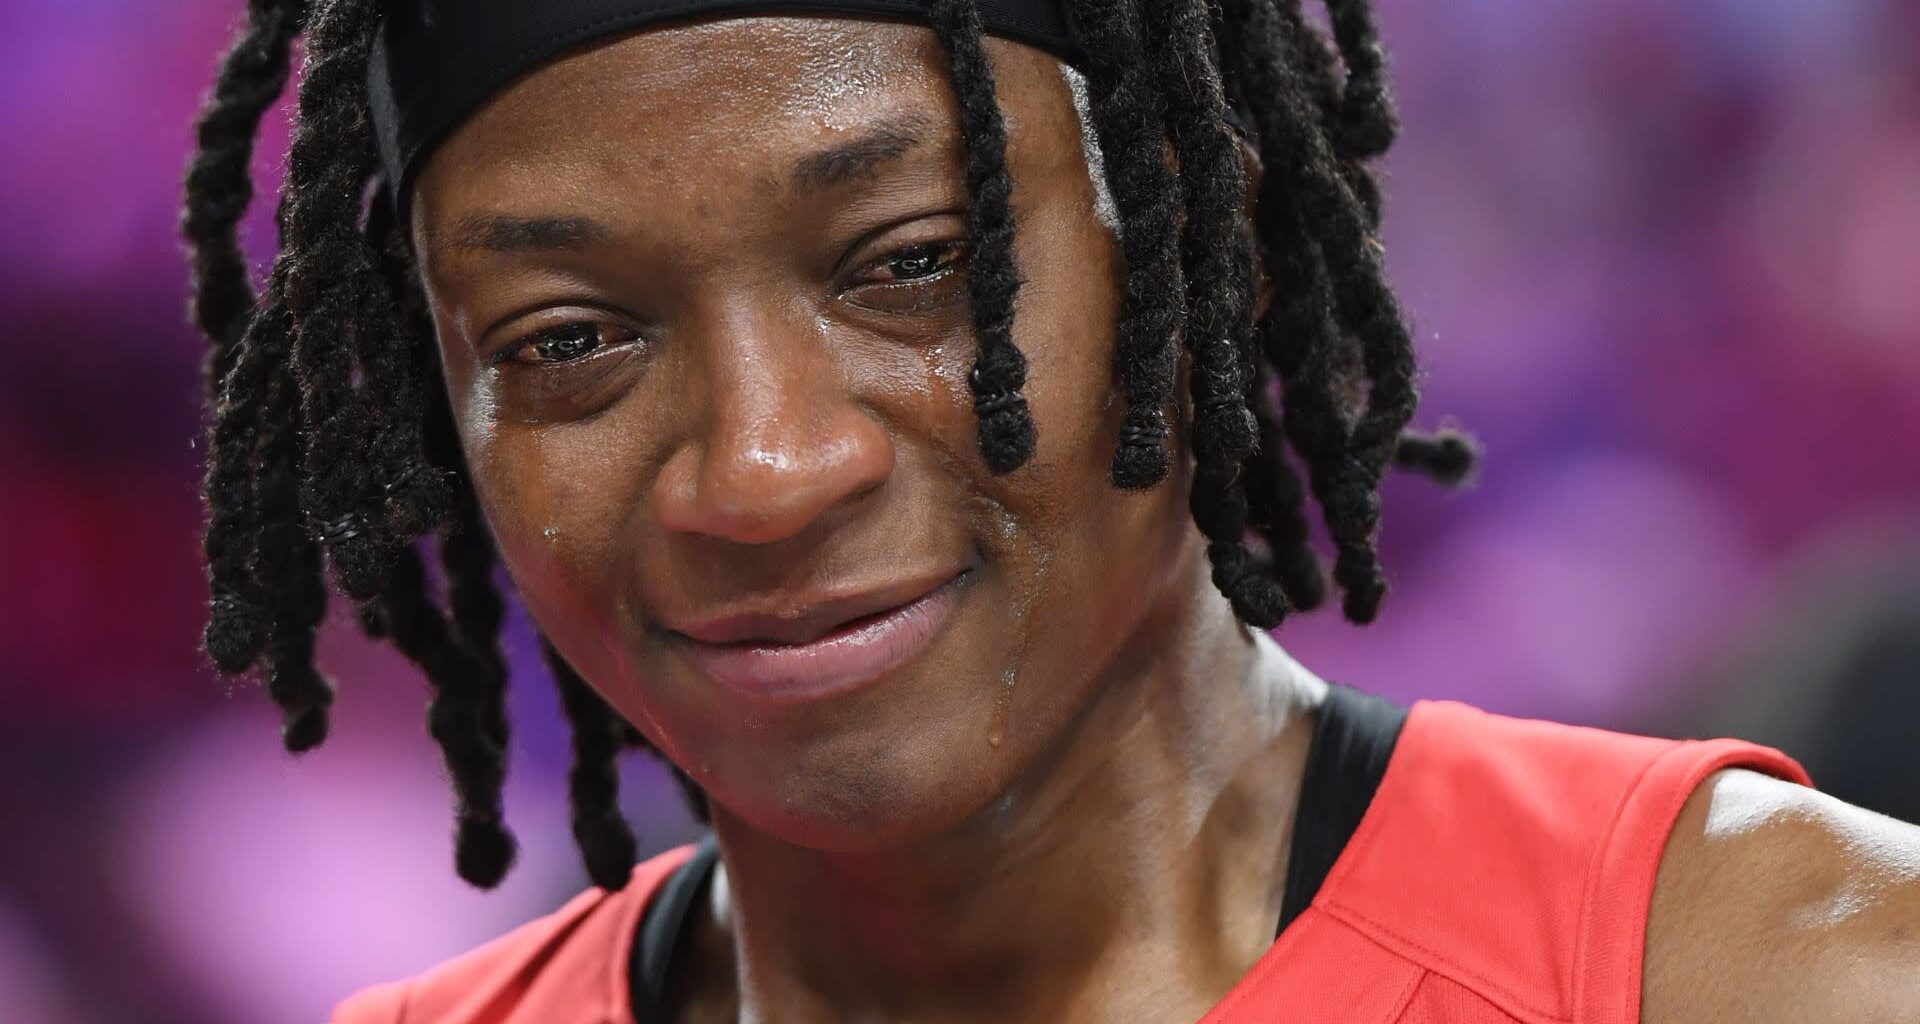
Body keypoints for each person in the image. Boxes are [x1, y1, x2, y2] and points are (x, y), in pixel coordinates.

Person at [179, 0, 1920, 1020]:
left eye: (917, 266)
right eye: (570, 341)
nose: (763, 473)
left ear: (1206, 247)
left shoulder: (1786, 973)